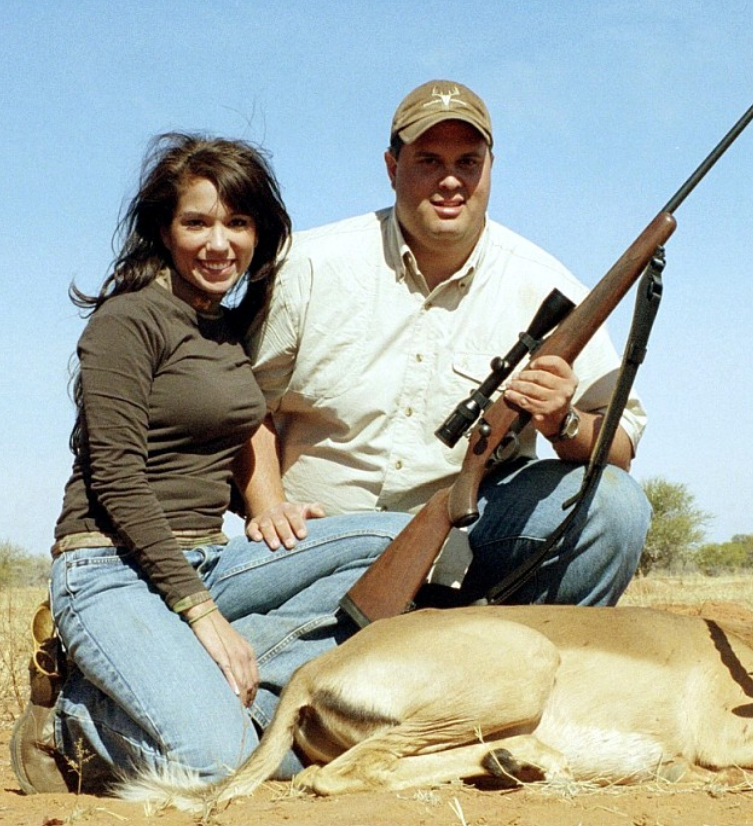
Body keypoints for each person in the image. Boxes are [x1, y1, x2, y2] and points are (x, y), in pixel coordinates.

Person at [11, 133, 406, 795]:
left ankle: (209, 684)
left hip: (207, 560)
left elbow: (219, 444)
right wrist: (203, 617)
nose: (218, 243)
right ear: (164, 230)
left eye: (237, 223)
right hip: (111, 566)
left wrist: (269, 507)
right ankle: (71, 722)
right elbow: (116, 477)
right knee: (224, 764)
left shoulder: (224, 329)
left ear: (259, 232)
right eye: (196, 222)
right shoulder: (126, 321)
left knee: (398, 542)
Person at [242, 80, 651, 607]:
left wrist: (562, 420)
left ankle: (534, 659)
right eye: (429, 161)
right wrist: (270, 509)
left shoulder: (548, 285)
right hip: (317, 538)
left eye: (468, 162)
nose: (451, 182)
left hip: (469, 540)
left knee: (616, 508)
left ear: (490, 166)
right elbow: (245, 406)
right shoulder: (308, 266)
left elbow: (619, 447)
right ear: (392, 167)